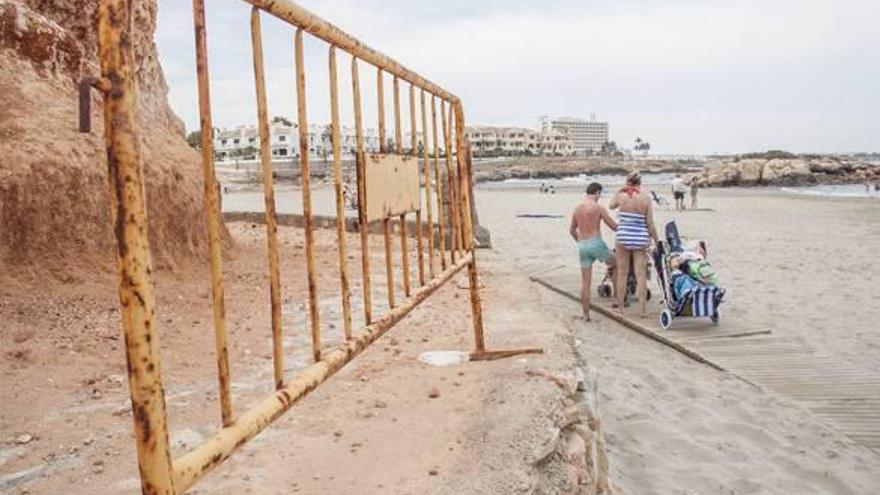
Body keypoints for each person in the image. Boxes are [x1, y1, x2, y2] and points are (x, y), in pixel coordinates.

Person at [609, 172, 659, 318]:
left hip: (623, 237)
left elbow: (611, 205)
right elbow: (650, 224)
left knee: (622, 274)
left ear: (627, 182)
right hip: (640, 238)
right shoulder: (646, 199)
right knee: (641, 275)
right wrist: (656, 240)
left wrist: (619, 191)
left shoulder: (621, 197)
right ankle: (642, 310)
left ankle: (620, 309)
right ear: (640, 183)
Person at [569, 182, 618, 321]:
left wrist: (580, 241)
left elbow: (572, 230)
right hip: (596, 242)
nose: (599, 196)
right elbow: (613, 226)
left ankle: (586, 315)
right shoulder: (598, 207)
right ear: (597, 192)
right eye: (599, 194)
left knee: (585, 282)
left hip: (583, 245)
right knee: (617, 264)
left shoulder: (577, 208)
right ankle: (616, 299)